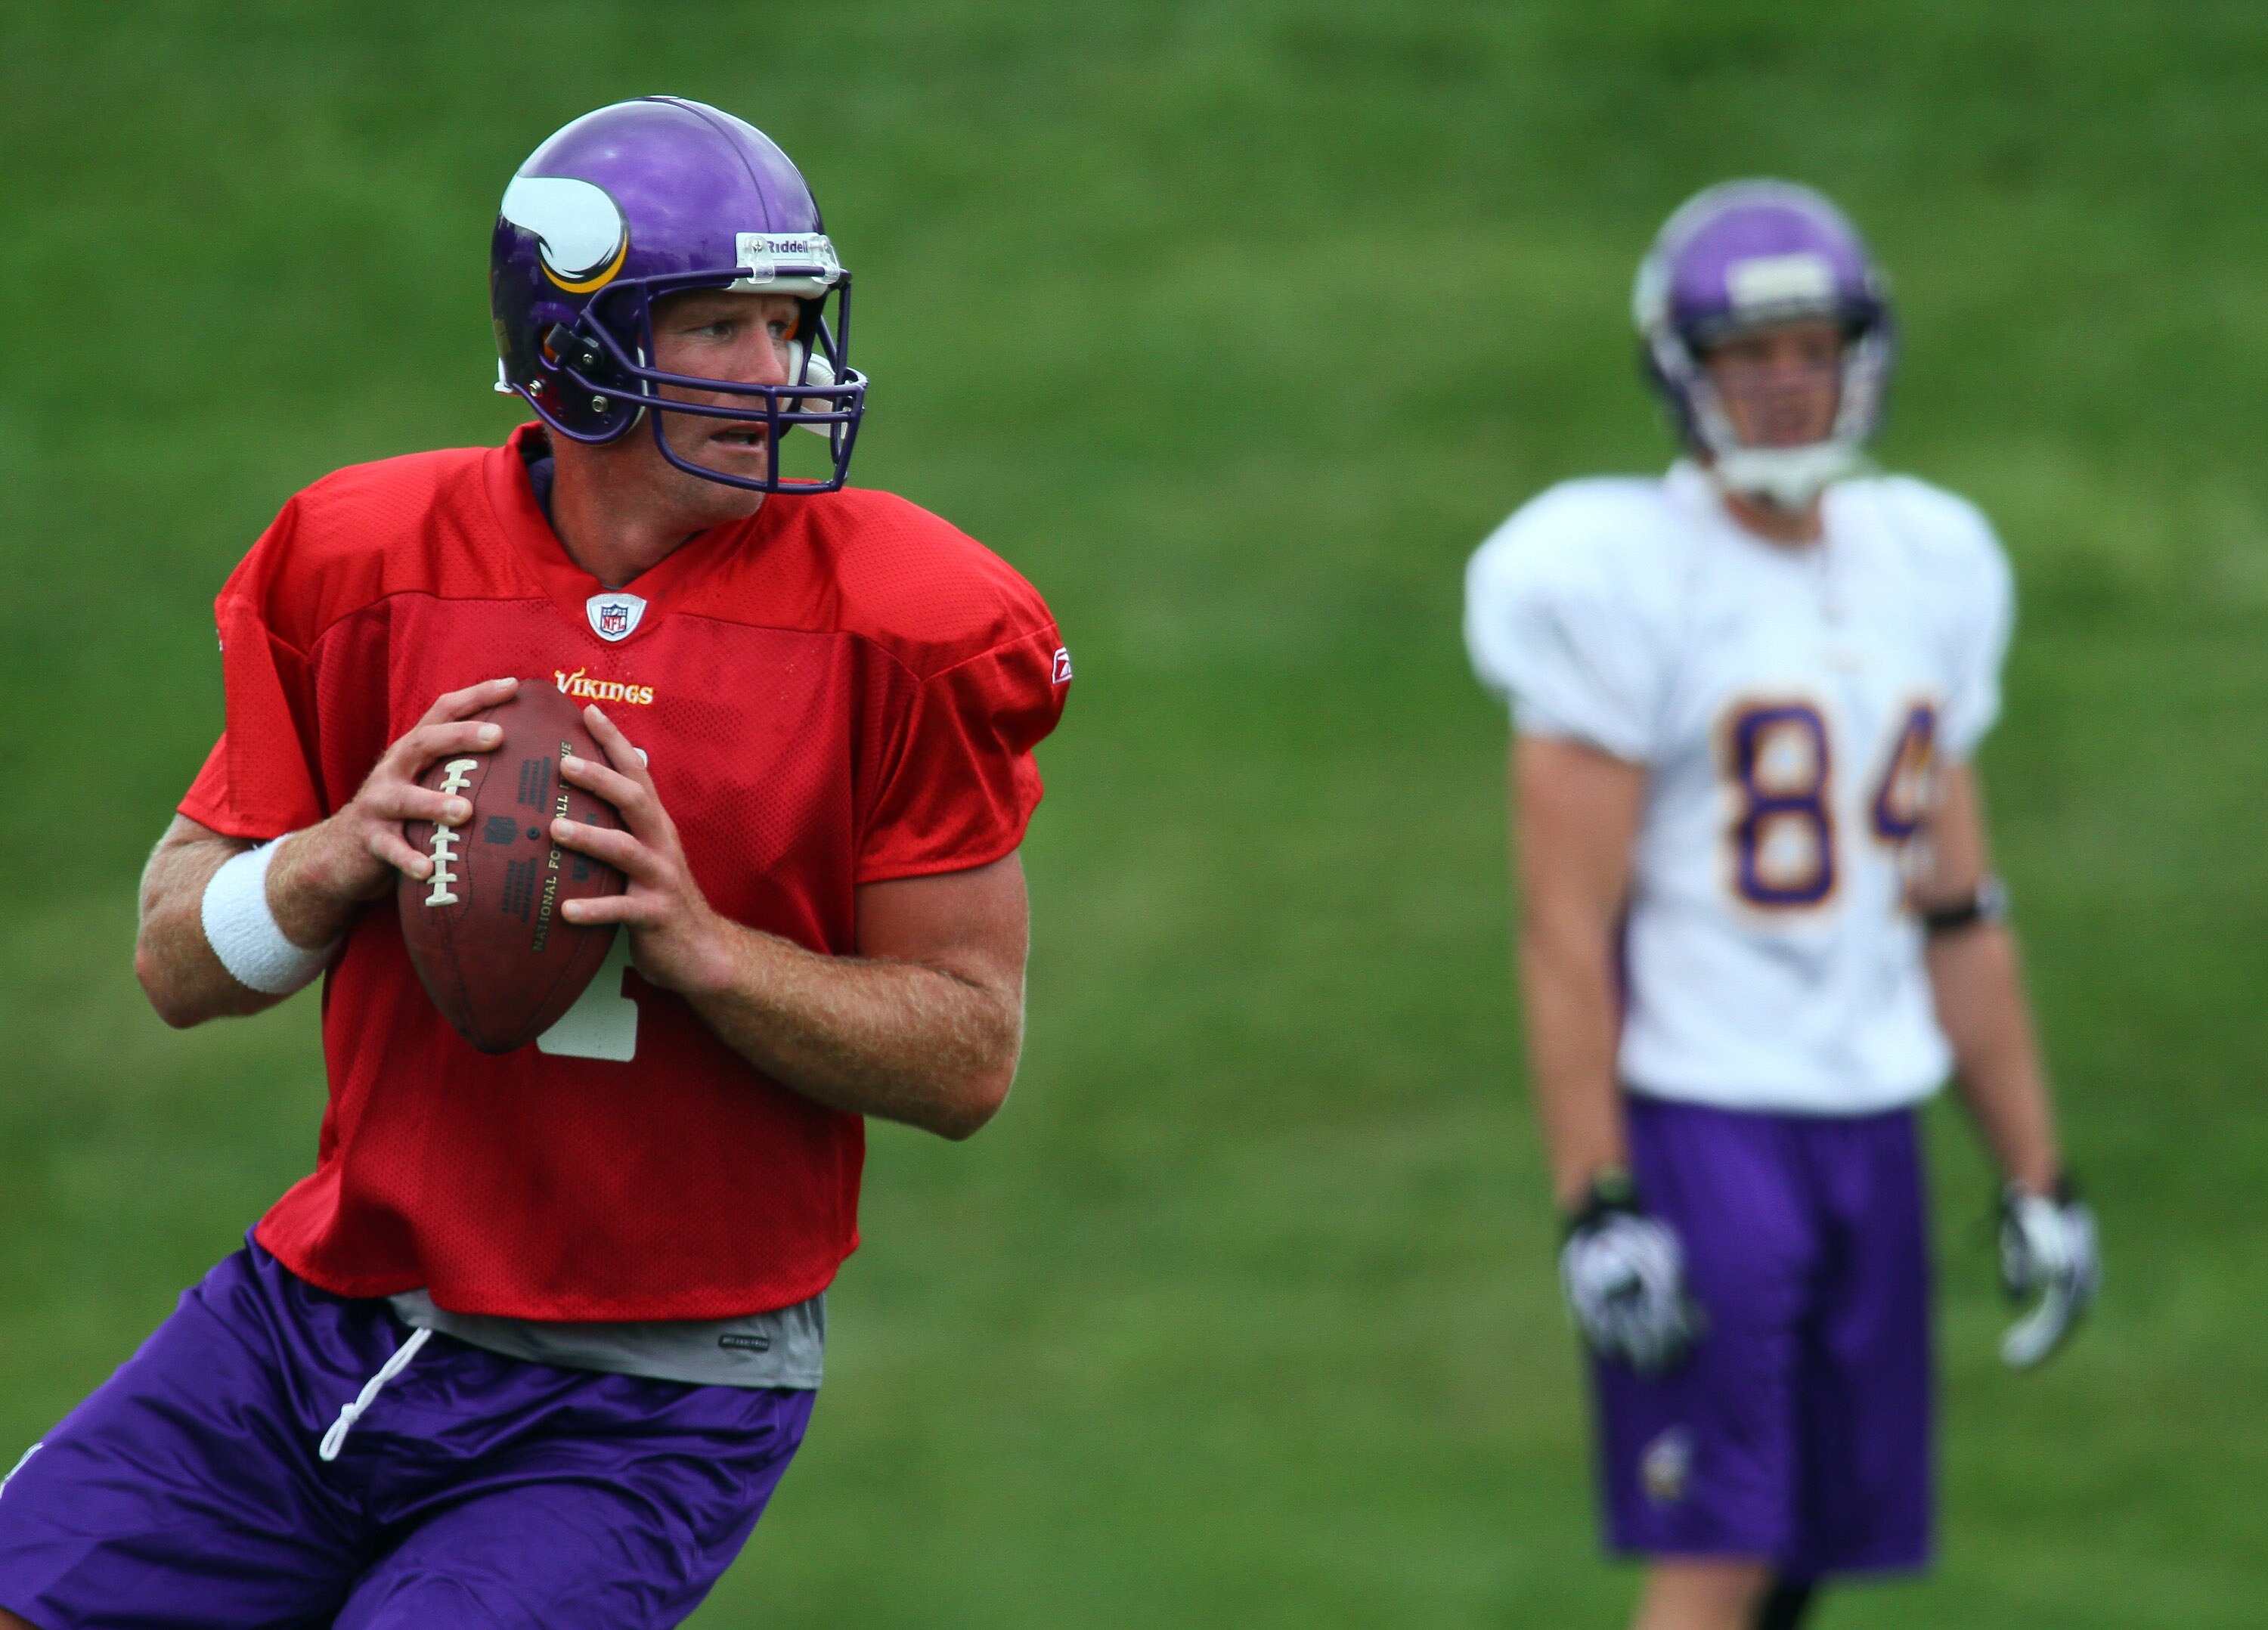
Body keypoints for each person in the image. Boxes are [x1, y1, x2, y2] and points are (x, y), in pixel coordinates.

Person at [0, 96, 1070, 1629]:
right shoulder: (361, 558)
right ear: (575, 346)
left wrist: (708, 950)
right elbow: (176, 961)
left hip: (646, 1397)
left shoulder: (914, 620)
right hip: (318, 1317)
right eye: (720, 325)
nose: (780, 371)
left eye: (788, 324)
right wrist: (333, 857)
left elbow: (967, 1055)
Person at [1462, 181, 2099, 1630]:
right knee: (1723, 1545)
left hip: (1870, 1110)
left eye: (1813, 346)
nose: (1788, 381)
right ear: (1682, 369)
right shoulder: (1618, 573)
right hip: (1707, 1114)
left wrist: (2036, 1172)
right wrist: (1595, 1197)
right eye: (1751, 354)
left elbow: (1959, 906)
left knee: (1808, 1546)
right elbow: (1565, 925)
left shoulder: (1930, 559)